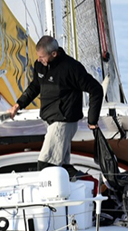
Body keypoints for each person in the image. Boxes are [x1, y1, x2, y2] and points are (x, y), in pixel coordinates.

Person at [7, 35, 103, 171]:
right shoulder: (40, 65)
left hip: (63, 122)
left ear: (54, 53)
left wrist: (92, 120)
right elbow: (35, 86)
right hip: (52, 122)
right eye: (38, 56)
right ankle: (79, 181)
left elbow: (96, 89)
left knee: (46, 165)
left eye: (42, 57)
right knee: (62, 166)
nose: (39, 60)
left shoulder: (71, 68)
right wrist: (18, 105)